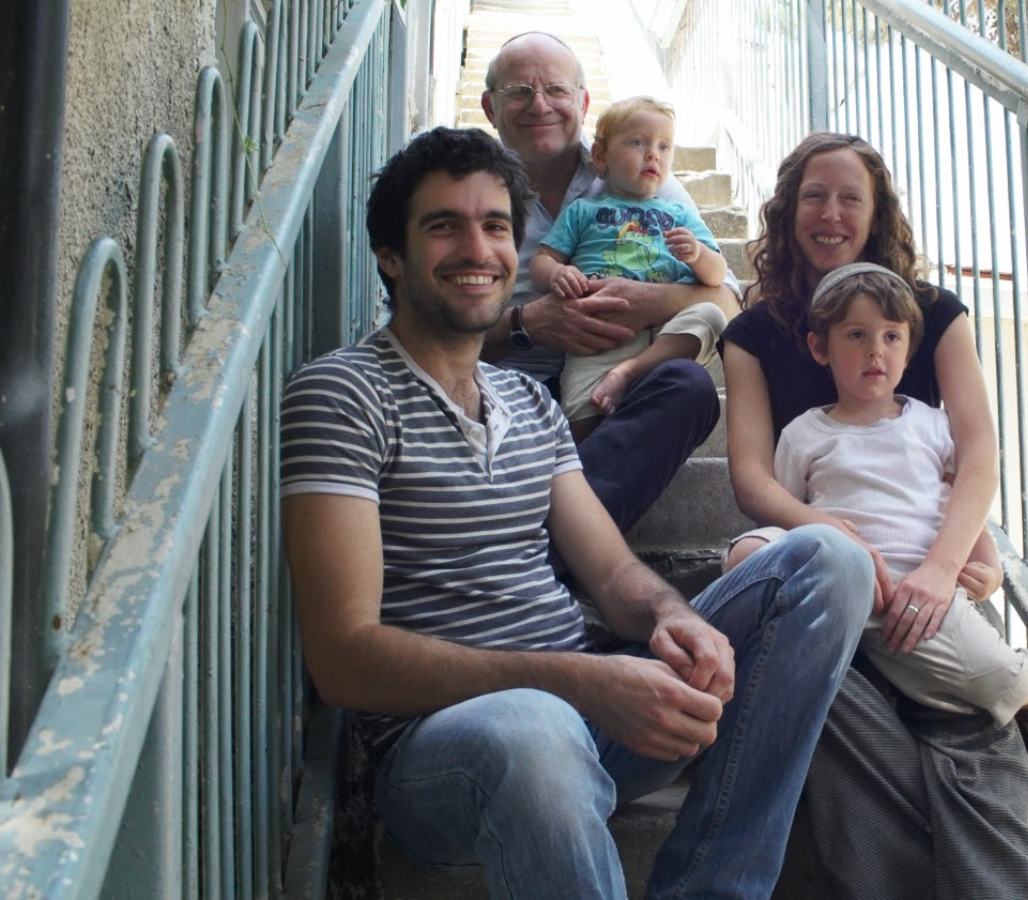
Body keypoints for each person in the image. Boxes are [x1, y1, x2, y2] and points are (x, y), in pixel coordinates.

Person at [279, 126, 873, 899]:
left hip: (594, 720)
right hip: (449, 757)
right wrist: (582, 683)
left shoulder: (527, 400)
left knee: (830, 561)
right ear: (391, 255)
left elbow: (613, 571)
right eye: (443, 226)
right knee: (534, 726)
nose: (478, 248)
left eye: (495, 226)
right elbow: (343, 658)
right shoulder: (341, 394)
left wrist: (671, 617)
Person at [720, 132, 1028, 898]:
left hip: (920, 560)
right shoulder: (751, 332)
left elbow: (971, 452)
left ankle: (983, 736)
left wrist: (949, 563)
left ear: (877, 211)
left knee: (919, 665)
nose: (831, 213)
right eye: (814, 195)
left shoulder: (932, 313)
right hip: (822, 541)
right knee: (766, 591)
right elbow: (752, 476)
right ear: (788, 210)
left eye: (851, 197)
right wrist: (822, 535)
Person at [775, 262, 1028, 778]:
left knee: (989, 672)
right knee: (750, 553)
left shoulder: (930, 424)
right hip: (845, 587)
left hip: (921, 592)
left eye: (892, 336)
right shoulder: (805, 435)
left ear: (909, 350)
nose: (876, 350)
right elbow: (787, 516)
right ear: (820, 347)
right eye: (857, 335)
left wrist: (985, 563)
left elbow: (958, 494)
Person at [478, 32, 741, 531]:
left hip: (622, 371)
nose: (540, 105)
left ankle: (557, 544)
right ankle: (565, 550)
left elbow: (727, 305)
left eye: (556, 90)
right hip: (508, 379)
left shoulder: (647, 179)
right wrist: (527, 323)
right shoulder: (470, 184)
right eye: (519, 92)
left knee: (688, 387)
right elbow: (423, 325)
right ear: (490, 107)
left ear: (583, 101)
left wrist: (649, 300)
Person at [531, 95, 728, 442]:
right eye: (638, 142)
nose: (653, 154)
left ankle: (629, 372)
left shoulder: (680, 214)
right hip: (601, 331)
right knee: (580, 418)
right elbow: (542, 260)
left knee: (711, 316)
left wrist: (697, 254)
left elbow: (715, 277)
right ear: (601, 156)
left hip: (665, 332)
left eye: (664, 146)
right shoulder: (584, 211)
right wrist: (557, 274)